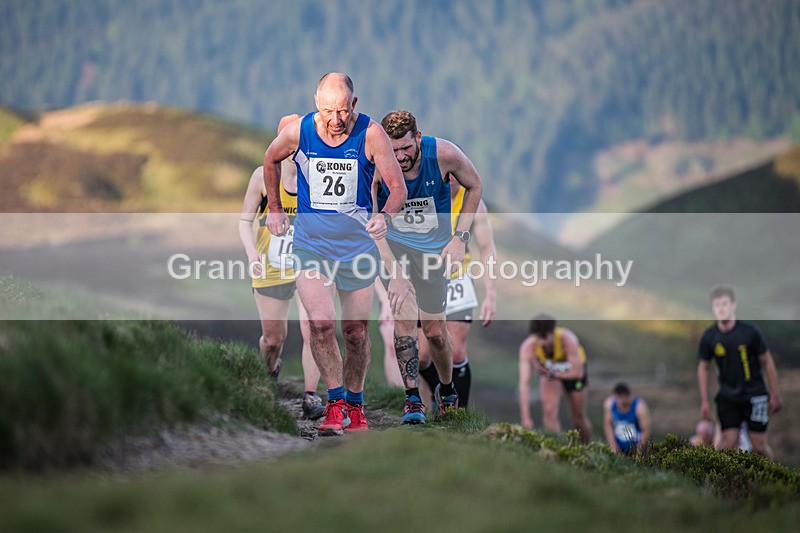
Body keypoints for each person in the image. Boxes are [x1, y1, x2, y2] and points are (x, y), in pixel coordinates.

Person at [262, 73, 407, 436]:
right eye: (329, 110)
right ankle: (335, 402)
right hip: (312, 246)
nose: (336, 119)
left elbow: (398, 188)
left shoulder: (371, 134)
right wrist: (276, 209)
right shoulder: (300, 133)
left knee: (356, 332)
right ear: (316, 104)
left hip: (357, 248)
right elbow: (270, 159)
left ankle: (356, 406)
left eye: (343, 110)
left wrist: (384, 216)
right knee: (321, 324)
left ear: (354, 105)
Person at [372, 110, 483, 424]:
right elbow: (372, 221)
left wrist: (460, 237)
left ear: (417, 138)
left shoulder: (444, 154)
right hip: (395, 250)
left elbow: (475, 186)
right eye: (392, 151)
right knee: (405, 325)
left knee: (435, 332)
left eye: (406, 148)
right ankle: (413, 401)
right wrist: (394, 272)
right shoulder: (377, 165)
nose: (400, 157)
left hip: (433, 255)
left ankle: (447, 391)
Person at [238, 114, 324, 420]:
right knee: (273, 339)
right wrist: (251, 254)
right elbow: (244, 222)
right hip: (270, 265)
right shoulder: (261, 176)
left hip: (308, 263)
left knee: (312, 327)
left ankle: (311, 396)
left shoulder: (315, 176)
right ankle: (269, 372)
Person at [417, 173, 497, 410]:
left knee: (457, 351)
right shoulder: (423, 196)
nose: (450, 179)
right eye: (445, 174)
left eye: (455, 174)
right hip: (425, 280)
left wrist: (491, 293)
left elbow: (487, 248)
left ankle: (458, 412)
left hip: (457, 280)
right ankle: (441, 391)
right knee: (421, 356)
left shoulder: (473, 204)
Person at [697, 285, 782, 458]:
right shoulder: (709, 337)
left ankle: (774, 479)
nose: (721, 309)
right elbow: (703, 367)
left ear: (733, 305)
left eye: (725, 304)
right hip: (728, 397)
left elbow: (767, 361)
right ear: (713, 308)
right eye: (717, 305)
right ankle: (723, 483)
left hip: (755, 394)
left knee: (758, 446)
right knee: (728, 444)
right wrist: (704, 400)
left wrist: (775, 393)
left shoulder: (750, 332)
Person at [518, 314, 593, 443]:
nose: (541, 342)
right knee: (548, 410)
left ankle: (587, 446)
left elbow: (578, 372)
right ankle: (555, 446)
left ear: (552, 332)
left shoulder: (567, 339)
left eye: (544, 337)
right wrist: (526, 418)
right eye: (537, 337)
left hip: (573, 375)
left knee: (578, 417)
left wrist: (553, 374)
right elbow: (524, 383)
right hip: (551, 373)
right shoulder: (528, 347)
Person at [603, 382, 651, 455]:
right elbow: (608, 426)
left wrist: (639, 449)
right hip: (619, 447)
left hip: (636, 447)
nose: (619, 403)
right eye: (617, 398)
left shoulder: (639, 407)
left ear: (628, 396)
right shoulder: (609, 404)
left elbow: (646, 430)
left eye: (621, 399)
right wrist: (613, 445)